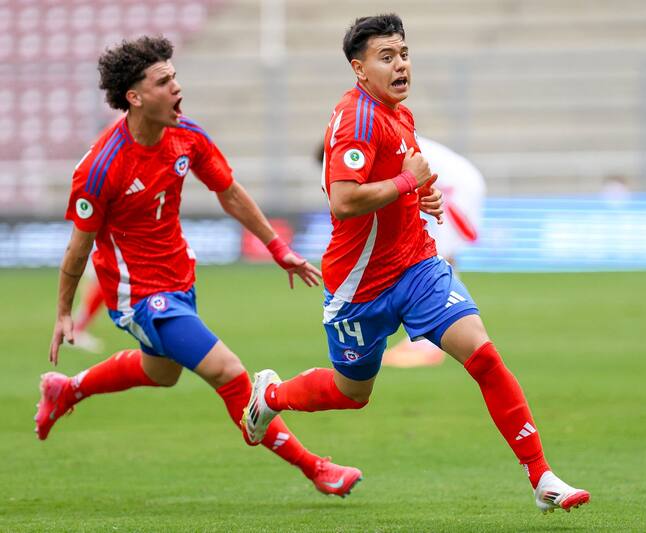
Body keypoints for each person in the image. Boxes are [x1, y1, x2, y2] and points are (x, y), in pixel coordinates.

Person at [242, 14, 590, 514]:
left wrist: (423, 193)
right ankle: (272, 397)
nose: (400, 65)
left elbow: (408, 172)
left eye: (403, 54)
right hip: (360, 285)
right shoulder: (356, 119)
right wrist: (408, 183)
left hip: (417, 267)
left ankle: (542, 477)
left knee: (484, 357)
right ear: (359, 69)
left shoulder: (399, 114)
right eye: (386, 57)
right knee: (351, 393)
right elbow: (344, 201)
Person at [36, 35, 362, 498]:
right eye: (163, 82)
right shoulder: (102, 167)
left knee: (161, 372)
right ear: (134, 97)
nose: (176, 87)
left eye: (175, 77)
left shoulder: (186, 135)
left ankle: (67, 390)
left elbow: (229, 192)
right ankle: (317, 469)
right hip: (139, 296)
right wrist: (64, 312)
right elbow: (78, 249)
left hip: (179, 279)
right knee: (228, 372)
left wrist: (277, 247)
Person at [382, 135, 486, 368]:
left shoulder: (385, 138)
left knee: (435, 259)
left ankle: (428, 341)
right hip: (452, 185)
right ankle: (432, 335)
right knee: (439, 257)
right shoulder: (393, 132)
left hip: (455, 188)